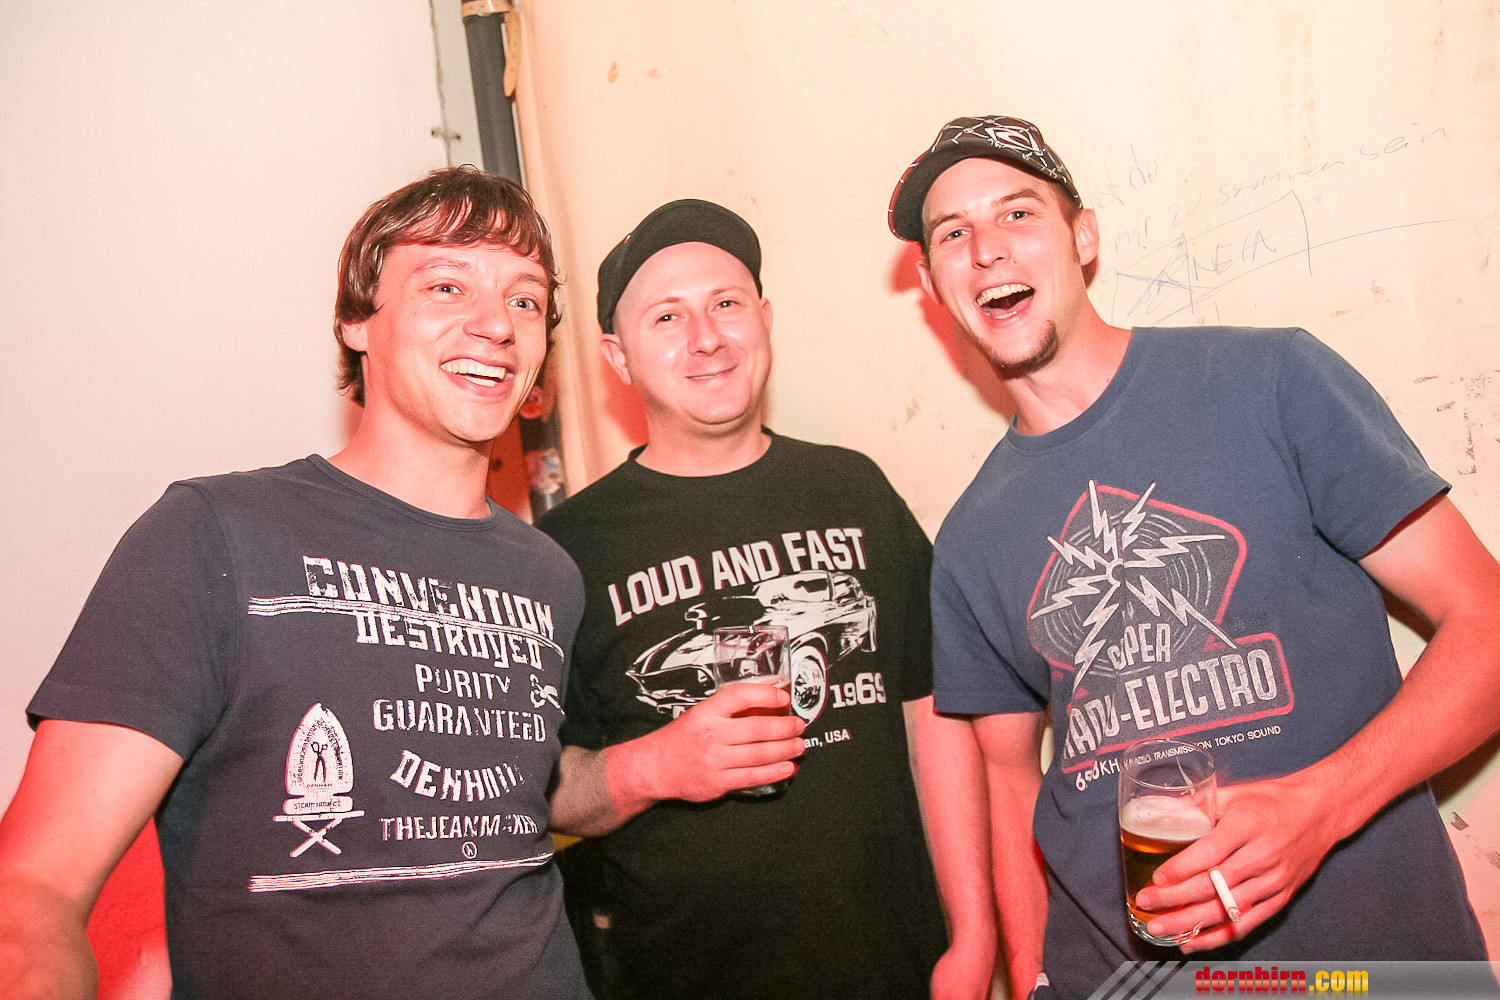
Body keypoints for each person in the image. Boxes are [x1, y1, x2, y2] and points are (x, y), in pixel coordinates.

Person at [887, 114, 1500, 999]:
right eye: (953, 233)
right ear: (930, 282)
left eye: (1018, 213)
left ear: (1083, 238)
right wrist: (1031, 974)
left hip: (1373, 969)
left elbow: (1486, 623)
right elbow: (1008, 775)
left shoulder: (1273, 383)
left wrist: (1318, 807)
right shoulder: (970, 539)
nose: (986, 249)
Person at [0, 166, 593, 1000]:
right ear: (357, 321)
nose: (496, 324)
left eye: (525, 300)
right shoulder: (213, 534)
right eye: (446, 285)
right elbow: (34, 889)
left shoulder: (549, 575)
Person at [538, 199, 995, 999]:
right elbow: (536, 795)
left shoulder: (853, 488)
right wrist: (654, 767)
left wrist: (974, 934)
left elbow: (936, 717)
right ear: (618, 357)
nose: (706, 337)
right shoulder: (567, 549)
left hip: (898, 969)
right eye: (667, 316)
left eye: (726, 303)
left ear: (765, 319)